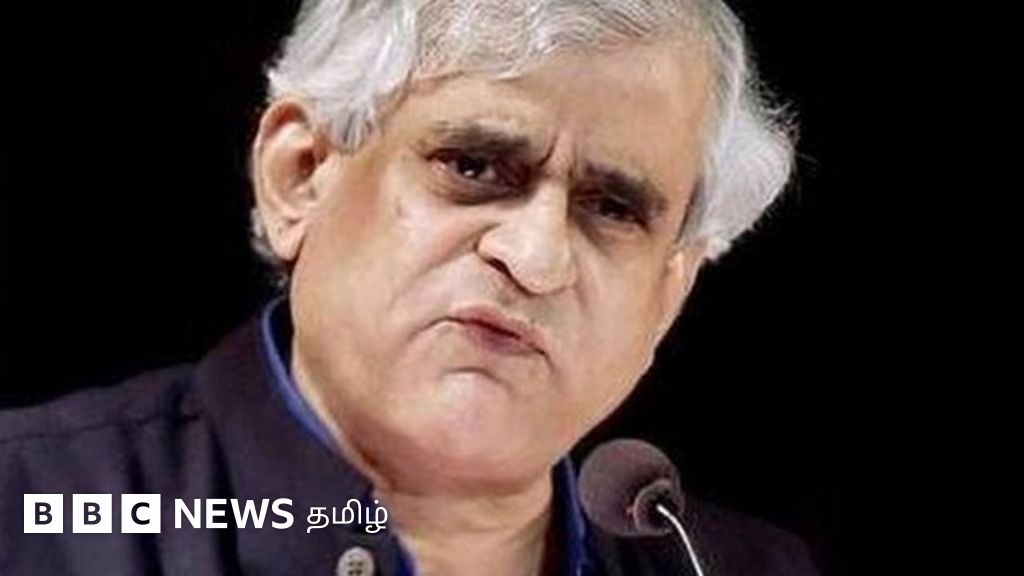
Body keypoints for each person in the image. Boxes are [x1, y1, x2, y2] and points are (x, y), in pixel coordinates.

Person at [0, 1, 819, 574]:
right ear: (300, 176)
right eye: (474, 167)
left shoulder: (738, 568)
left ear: (668, 294)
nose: (536, 259)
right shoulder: (33, 508)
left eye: (612, 208)